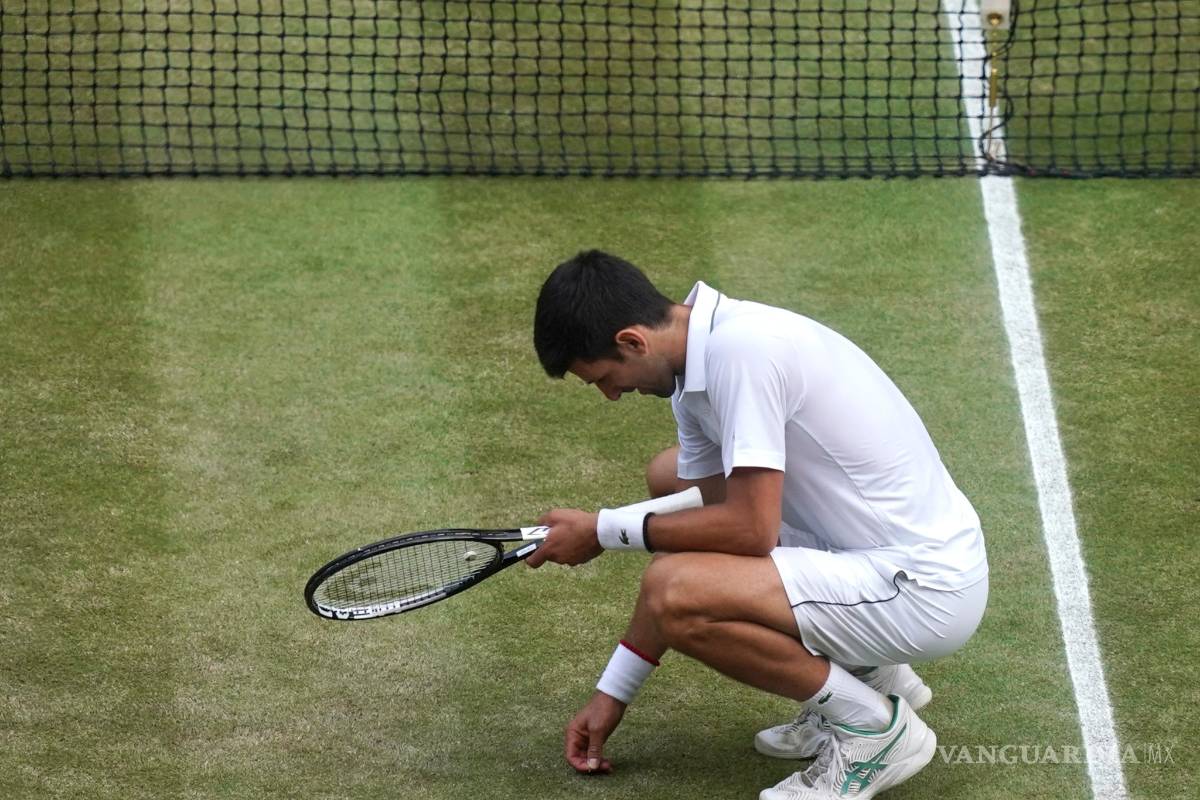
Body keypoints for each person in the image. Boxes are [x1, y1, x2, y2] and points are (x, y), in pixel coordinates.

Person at [527, 250, 988, 800]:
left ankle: (872, 728)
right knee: (669, 479)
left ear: (632, 341)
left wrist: (602, 531)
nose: (610, 394)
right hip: (875, 550)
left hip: (925, 587)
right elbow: (708, 519)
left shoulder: (743, 354)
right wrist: (612, 692)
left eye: (604, 378)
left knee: (675, 591)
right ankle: (873, 675)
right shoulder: (701, 354)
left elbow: (748, 533)